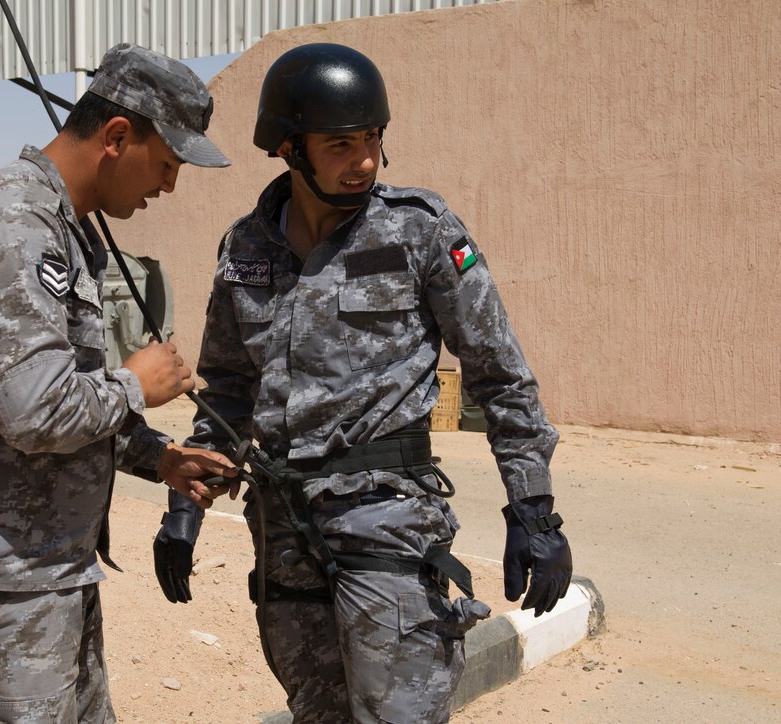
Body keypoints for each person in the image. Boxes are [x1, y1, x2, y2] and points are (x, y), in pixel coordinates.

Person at [152, 43, 573, 723]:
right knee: (316, 713)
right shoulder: (246, 248)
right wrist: (186, 509)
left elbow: (500, 375)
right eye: (342, 144)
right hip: (284, 530)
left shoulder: (420, 231)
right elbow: (228, 391)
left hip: (388, 527)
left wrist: (534, 509)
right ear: (291, 149)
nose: (367, 160)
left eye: (374, 138)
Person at [0, 43, 236, 723]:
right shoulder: (16, 223)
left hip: (42, 574)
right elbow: (33, 410)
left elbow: (50, 392)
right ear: (117, 137)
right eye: (166, 165)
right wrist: (136, 386)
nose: (168, 186)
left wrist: (155, 457)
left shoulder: (62, 229)